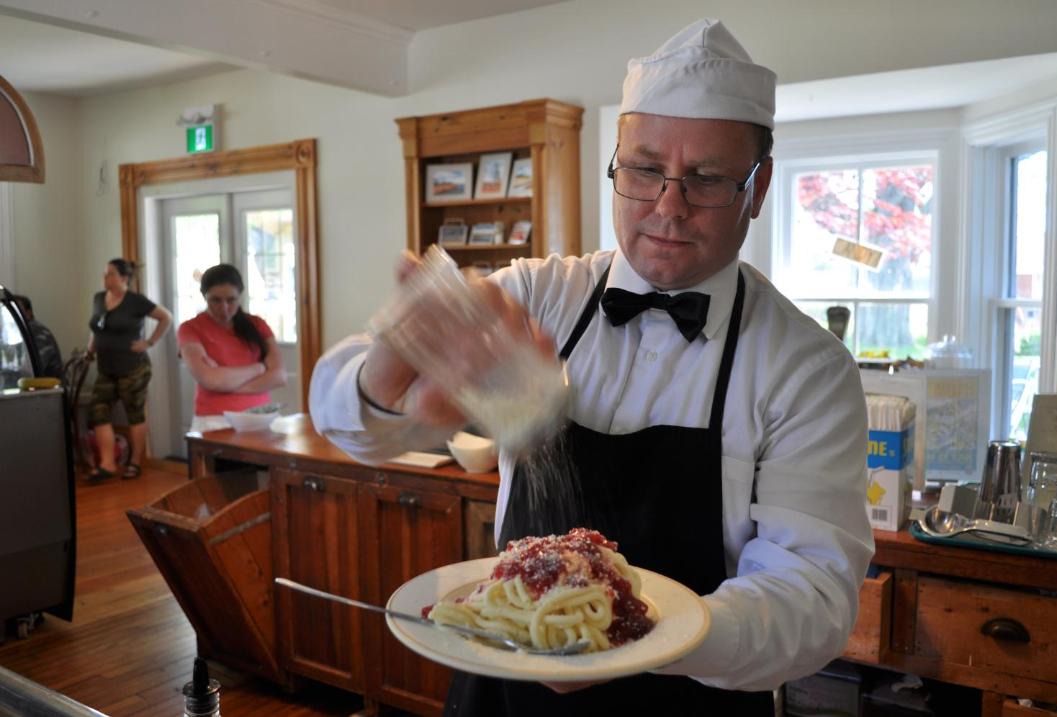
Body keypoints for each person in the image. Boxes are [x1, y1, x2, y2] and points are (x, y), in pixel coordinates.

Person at [310, 18, 873, 716]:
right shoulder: (538, 293)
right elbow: (343, 418)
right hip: (503, 682)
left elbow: (811, 598)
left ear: (756, 189)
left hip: (695, 698)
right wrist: (386, 374)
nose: (669, 206)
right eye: (644, 169)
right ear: (616, 166)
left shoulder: (807, 368)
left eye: (706, 178)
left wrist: (634, 632)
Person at [87, 258, 172, 479]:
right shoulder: (98, 298)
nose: (106, 278)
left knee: (134, 413)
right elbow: (97, 329)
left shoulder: (136, 301)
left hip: (133, 369)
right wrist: (89, 351)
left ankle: (134, 462)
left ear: (124, 278)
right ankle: (107, 464)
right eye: (105, 274)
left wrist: (149, 342)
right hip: (106, 368)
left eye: (111, 274)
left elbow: (166, 318)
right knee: (97, 410)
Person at [177, 264, 285, 433]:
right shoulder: (190, 328)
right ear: (204, 296)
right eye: (216, 300)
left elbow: (279, 376)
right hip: (215, 419)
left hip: (261, 415)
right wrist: (260, 368)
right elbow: (210, 380)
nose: (224, 307)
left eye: (231, 300)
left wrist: (225, 382)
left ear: (240, 296)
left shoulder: (257, 324)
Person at [11, 294, 64, 380]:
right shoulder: (21, 332)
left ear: (28, 313)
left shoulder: (37, 332)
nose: (12, 315)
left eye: (16, 310)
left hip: (50, 390)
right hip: (36, 387)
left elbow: (31, 370)